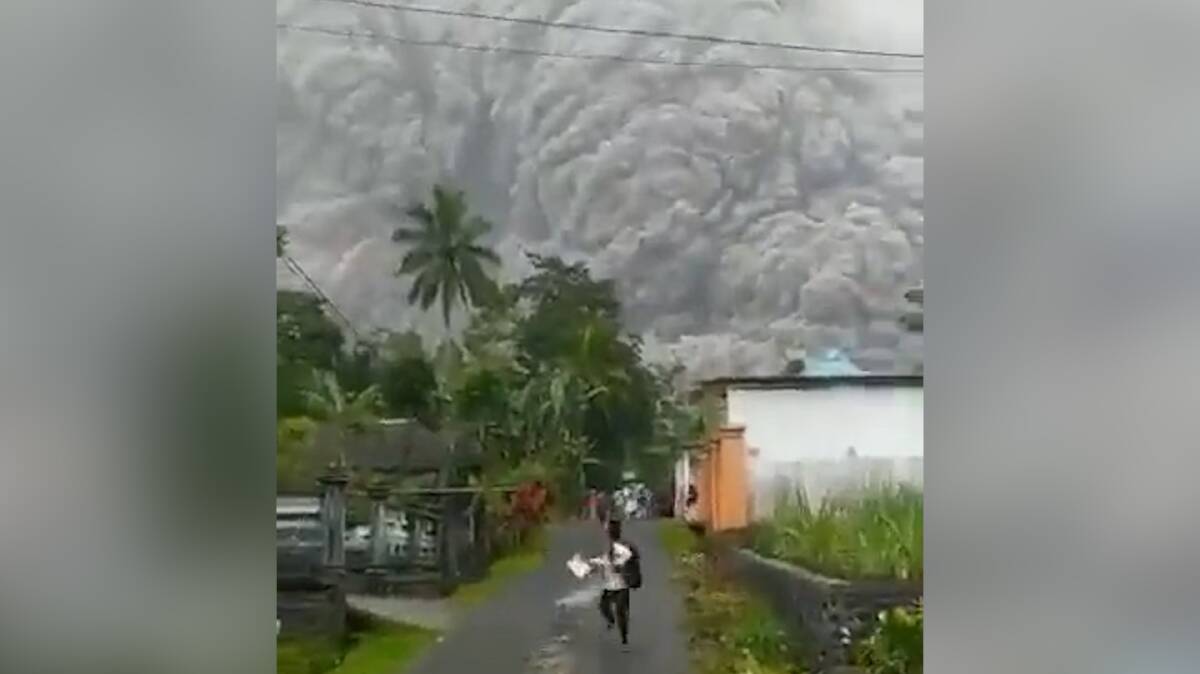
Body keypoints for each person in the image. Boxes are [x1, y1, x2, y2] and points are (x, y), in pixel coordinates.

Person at [588, 519, 635, 649]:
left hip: (622, 585)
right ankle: (612, 622)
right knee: (604, 606)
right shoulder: (609, 547)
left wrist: (617, 564)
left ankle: (624, 638)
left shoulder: (621, 548)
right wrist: (593, 564)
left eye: (610, 530)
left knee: (621, 612)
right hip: (609, 585)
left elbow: (627, 557)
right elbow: (603, 561)